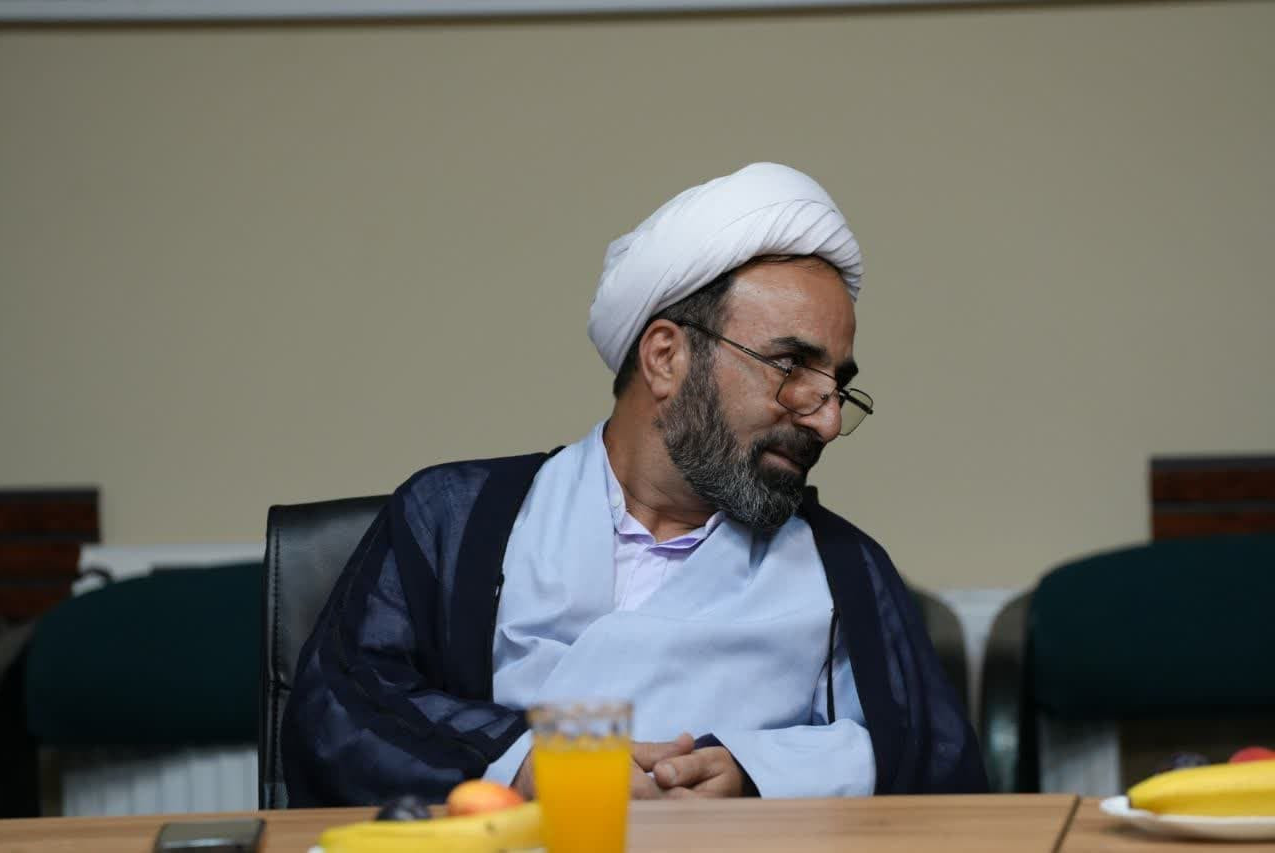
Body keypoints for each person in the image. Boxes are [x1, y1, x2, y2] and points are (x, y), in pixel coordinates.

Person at [281, 163, 987, 805]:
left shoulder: (845, 568)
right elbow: (341, 708)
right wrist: (530, 765)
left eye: (837, 386)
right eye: (790, 367)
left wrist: (757, 772)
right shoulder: (456, 519)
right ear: (666, 358)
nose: (826, 419)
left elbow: (933, 763)